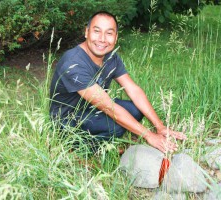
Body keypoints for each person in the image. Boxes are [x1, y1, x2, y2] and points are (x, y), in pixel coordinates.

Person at [49, 11, 186, 153]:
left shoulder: (110, 56)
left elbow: (133, 90)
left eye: (109, 33)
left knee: (136, 110)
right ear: (87, 32)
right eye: (97, 31)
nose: (102, 39)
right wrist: (149, 136)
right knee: (117, 126)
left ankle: (107, 139)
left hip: (91, 109)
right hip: (67, 121)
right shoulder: (74, 63)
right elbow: (108, 107)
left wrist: (160, 126)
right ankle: (79, 149)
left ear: (115, 37)